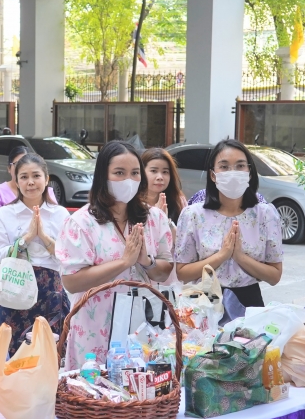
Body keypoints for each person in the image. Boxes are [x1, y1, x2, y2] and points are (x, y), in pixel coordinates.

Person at [56, 141, 173, 370]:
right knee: (94, 398)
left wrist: (145, 262)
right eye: (119, 173)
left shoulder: (155, 219)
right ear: (103, 176)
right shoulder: (81, 223)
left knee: (141, 391)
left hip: (142, 327)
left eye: (135, 173)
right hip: (95, 330)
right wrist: (123, 263)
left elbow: (166, 268)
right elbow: (71, 281)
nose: (128, 180)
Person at [175, 139, 283, 308]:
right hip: (204, 303)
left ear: (249, 172)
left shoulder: (265, 215)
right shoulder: (193, 215)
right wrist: (221, 256)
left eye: (240, 166)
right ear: (213, 174)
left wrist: (239, 257)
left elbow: (275, 276)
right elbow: (182, 273)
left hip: (249, 302)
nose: (232, 172)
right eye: (224, 167)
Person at [0, 154, 71, 356]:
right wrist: (25, 239)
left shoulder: (60, 214)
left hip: (51, 292)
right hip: (14, 291)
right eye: (24, 177)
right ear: (16, 181)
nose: (30, 182)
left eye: (36, 175)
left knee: (52, 353)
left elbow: (69, 258)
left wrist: (43, 237)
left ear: (46, 178)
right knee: (16, 355)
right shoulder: (5, 214)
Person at [0, 145, 56, 233]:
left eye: (36, 175)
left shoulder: (47, 191)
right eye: (18, 163)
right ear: (9, 168)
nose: (30, 182)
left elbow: (55, 221)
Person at [141, 148, 186, 225]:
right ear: (141, 172)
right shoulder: (133, 203)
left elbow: (183, 234)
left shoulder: (179, 201)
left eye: (165, 172)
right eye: (153, 171)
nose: (160, 177)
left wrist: (165, 221)